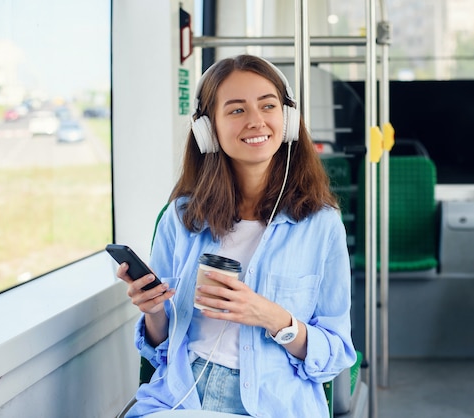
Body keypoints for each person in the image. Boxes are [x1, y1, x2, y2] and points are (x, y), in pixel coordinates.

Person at [117, 54, 356, 417]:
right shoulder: (180, 218)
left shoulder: (321, 225)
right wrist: (152, 310)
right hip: (181, 397)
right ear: (208, 129)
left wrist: (272, 317)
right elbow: (160, 347)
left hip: (275, 403)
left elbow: (336, 354)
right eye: (236, 110)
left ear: (288, 121)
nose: (256, 121)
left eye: (268, 106)